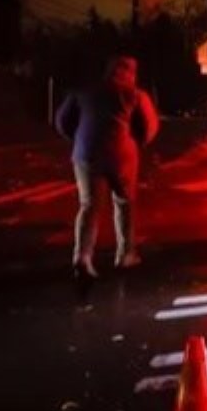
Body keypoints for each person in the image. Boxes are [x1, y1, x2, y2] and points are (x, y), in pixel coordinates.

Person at [55, 56, 159, 280]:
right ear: (130, 74)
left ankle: (82, 257)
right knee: (124, 202)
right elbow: (150, 127)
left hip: (86, 154)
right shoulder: (135, 95)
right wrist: (137, 142)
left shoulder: (83, 92)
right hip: (123, 156)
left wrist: (80, 138)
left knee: (89, 205)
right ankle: (125, 255)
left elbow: (62, 121)